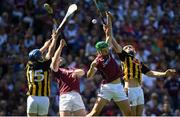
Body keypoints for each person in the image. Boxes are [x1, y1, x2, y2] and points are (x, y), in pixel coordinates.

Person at [104, 12, 176, 116]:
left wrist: (164, 74)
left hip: (139, 90)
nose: (128, 47)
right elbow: (112, 38)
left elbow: (150, 73)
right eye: (126, 47)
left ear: (135, 51)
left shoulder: (138, 63)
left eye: (130, 47)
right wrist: (109, 19)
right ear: (123, 51)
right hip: (130, 90)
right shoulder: (124, 57)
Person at [86, 20, 132, 116]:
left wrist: (109, 19)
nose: (108, 49)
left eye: (107, 48)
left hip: (119, 87)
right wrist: (91, 67)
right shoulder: (97, 61)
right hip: (107, 88)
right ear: (100, 51)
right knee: (94, 113)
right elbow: (89, 76)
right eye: (105, 49)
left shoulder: (108, 53)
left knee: (129, 113)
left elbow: (109, 36)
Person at [26, 30, 59, 116]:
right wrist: (54, 39)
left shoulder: (29, 66)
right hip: (43, 99)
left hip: (32, 98)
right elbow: (51, 52)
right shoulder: (44, 65)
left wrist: (45, 46)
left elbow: (33, 55)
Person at [50, 39, 86, 116]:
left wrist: (76, 72)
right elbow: (54, 62)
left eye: (60, 58)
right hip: (64, 96)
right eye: (57, 59)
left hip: (76, 95)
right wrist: (60, 46)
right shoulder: (57, 71)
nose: (59, 58)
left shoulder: (72, 69)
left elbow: (82, 72)